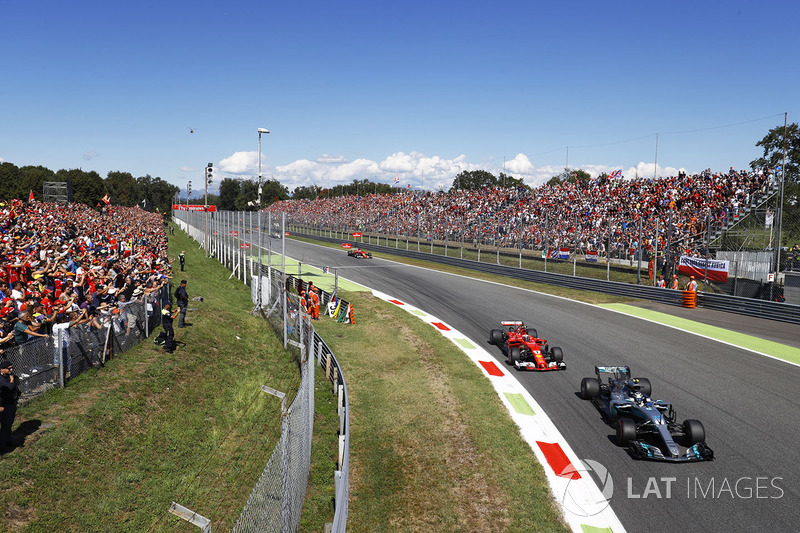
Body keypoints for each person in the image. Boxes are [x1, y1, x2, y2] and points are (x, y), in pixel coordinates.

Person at [0, 359, 20, 452]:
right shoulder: (2, 379)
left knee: (9, 424)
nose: (11, 370)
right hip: (4, 405)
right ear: (2, 369)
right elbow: (9, 387)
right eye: (9, 368)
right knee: (5, 425)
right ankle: (2, 445)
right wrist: (11, 381)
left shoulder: (8, 376)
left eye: (12, 368)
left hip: (11, 403)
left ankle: (8, 440)